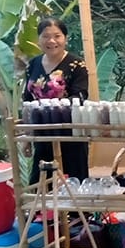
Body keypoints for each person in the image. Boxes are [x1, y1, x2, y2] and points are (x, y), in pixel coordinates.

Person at [23, 17, 90, 185]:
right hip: (42, 133)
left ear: (65, 38)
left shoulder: (76, 64)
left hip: (70, 133)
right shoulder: (32, 65)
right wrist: (26, 136)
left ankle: (77, 204)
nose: (51, 41)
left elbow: (81, 95)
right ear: (39, 40)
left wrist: (55, 107)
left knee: (74, 184)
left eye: (57, 36)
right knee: (40, 184)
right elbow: (27, 99)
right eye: (46, 36)